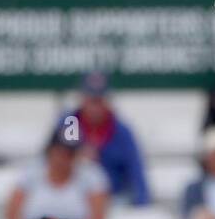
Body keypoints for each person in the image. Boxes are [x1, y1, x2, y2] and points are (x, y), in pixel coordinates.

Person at [63, 72, 150, 206]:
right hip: (74, 196)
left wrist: (141, 203)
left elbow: (136, 171)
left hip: (113, 199)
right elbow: (56, 161)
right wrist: (78, 154)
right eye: (91, 100)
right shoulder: (71, 123)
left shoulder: (120, 130)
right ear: (82, 99)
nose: (95, 107)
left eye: (99, 100)